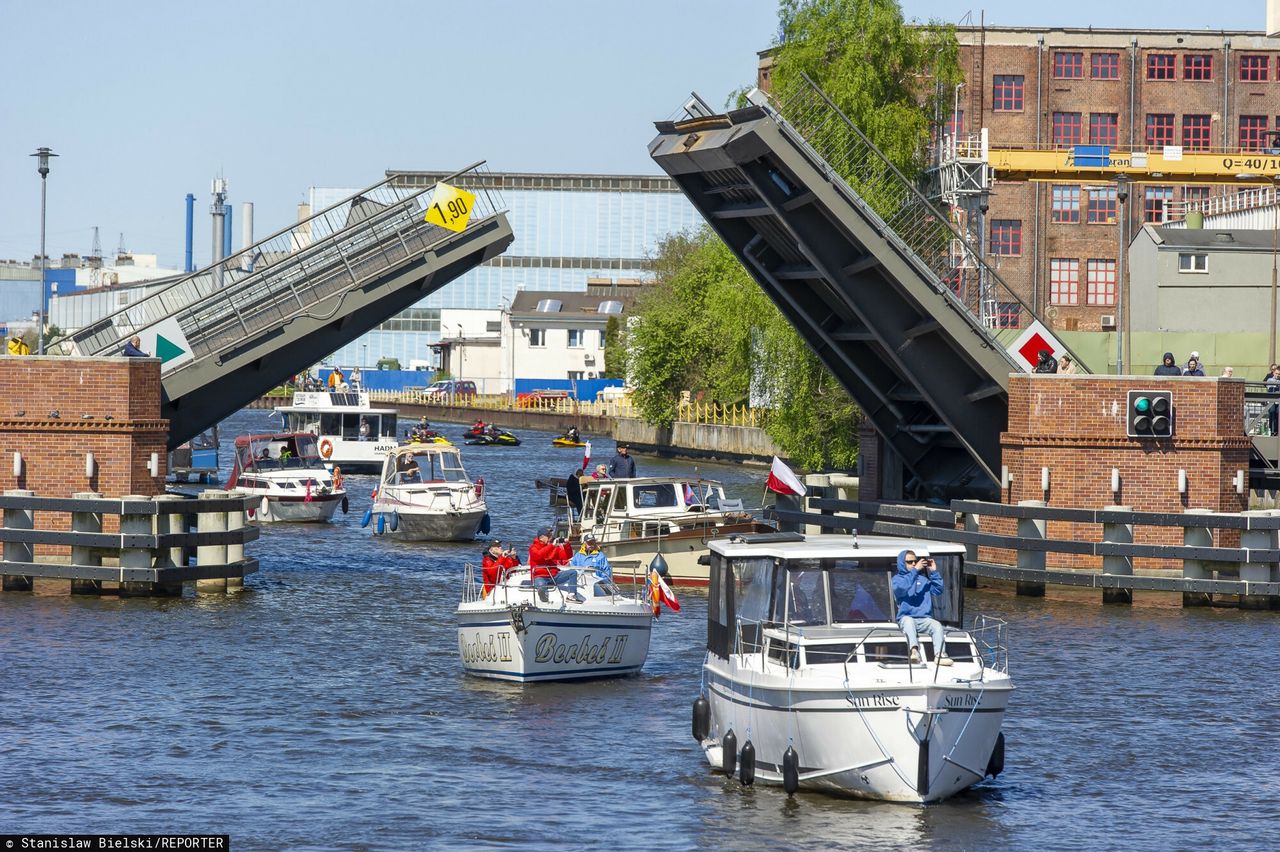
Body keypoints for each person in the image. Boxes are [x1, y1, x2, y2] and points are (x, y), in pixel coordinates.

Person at [892, 550, 952, 666]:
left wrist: (933, 571)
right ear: (901, 563)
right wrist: (915, 571)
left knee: (936, 625)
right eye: (910, 562)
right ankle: (914, 652)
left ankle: (940, 655)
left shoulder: (923, 580)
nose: (914, 564)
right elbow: (901, 589)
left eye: (915, 561)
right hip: (906, 617)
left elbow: (938, 590)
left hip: (924, 618)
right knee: (908, 622)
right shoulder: (897, 580)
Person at [1267, 364, 1280, 435]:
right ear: (1273, 373)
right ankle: (1272, 430)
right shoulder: (1270, 379)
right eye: (1276, 373)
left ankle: (1277, 431)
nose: (1277, 375)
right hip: (1272, 400)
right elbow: (1270, 387)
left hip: (1278, 401)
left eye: (1279, 374)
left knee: (1278, 414)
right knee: (1272, 413)